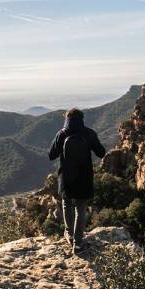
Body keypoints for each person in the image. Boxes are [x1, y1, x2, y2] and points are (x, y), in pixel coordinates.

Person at [49, 108, 106, 254]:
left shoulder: (62, 133)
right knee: (80, 208)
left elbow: (51, 155)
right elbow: (101, 153)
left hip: (66, 176)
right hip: (84, 176)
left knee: (67, 204)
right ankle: (78, 243)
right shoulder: (89, 133)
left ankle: (69, 234)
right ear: (82, 118)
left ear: (66, 118)